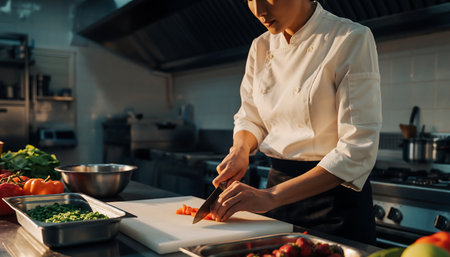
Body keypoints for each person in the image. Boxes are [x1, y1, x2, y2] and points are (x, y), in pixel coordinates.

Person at [209, 0, 382, 244]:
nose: (259, 10)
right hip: (276, 200)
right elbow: (251, 117)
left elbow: (356, 150)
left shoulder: (350, 38)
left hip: (335, 205)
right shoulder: (260, 46)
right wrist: (240, 150)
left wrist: (271, 197)